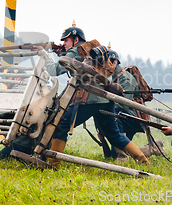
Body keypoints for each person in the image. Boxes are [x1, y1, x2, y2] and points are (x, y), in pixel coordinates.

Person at [42, 22, 150, 168]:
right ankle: (143, 160)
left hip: (89, 98)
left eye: (66, 40)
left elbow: (54, 70)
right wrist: (62, 52)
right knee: (114, 135)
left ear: (75, 39)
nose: (64, 43)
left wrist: (42, 54)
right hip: (104, 97)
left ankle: (54, 164)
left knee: (61, 125)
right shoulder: (86, 49)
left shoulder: (76, 51)